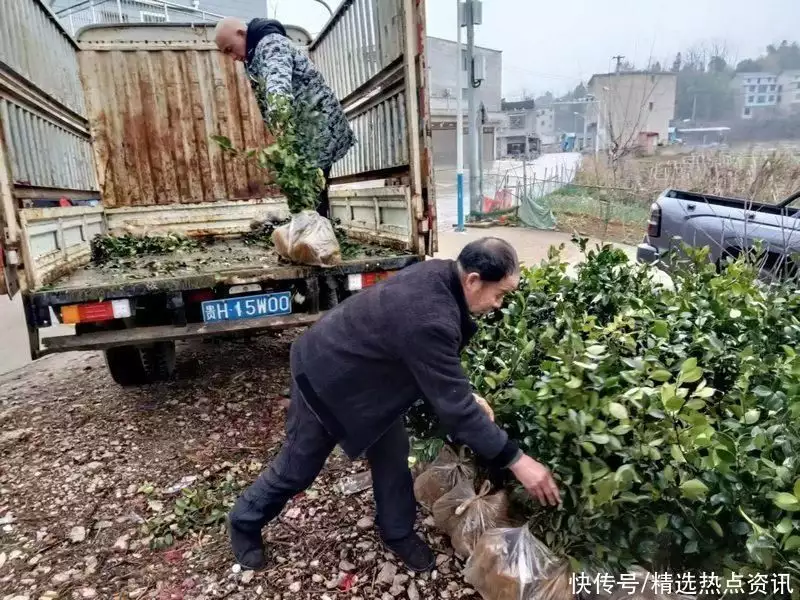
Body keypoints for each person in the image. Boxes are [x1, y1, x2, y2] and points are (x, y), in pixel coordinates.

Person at [227, 237, 561, 572]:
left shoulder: (442, 276)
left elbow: (428, 365)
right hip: (326, 376)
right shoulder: (432, 316)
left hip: (368, 384)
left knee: (392, 456)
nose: (499, 304)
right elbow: (456, 409)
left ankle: (397, 531)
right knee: (298, 467)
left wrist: (463, 394)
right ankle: (243, 521)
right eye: (499, 294)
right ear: (472, 280)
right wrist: (518, 460)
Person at [214, 17, 355, 217]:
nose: (232, 57)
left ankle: (318, 241)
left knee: (312, 191)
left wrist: (279, 116)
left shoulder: (270, 44)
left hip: (318, 125)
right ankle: (315, 237)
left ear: (241, 33)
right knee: (311, 191)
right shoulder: (255, 51)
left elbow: (276, 83)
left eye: (229, 49)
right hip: (306, 128)